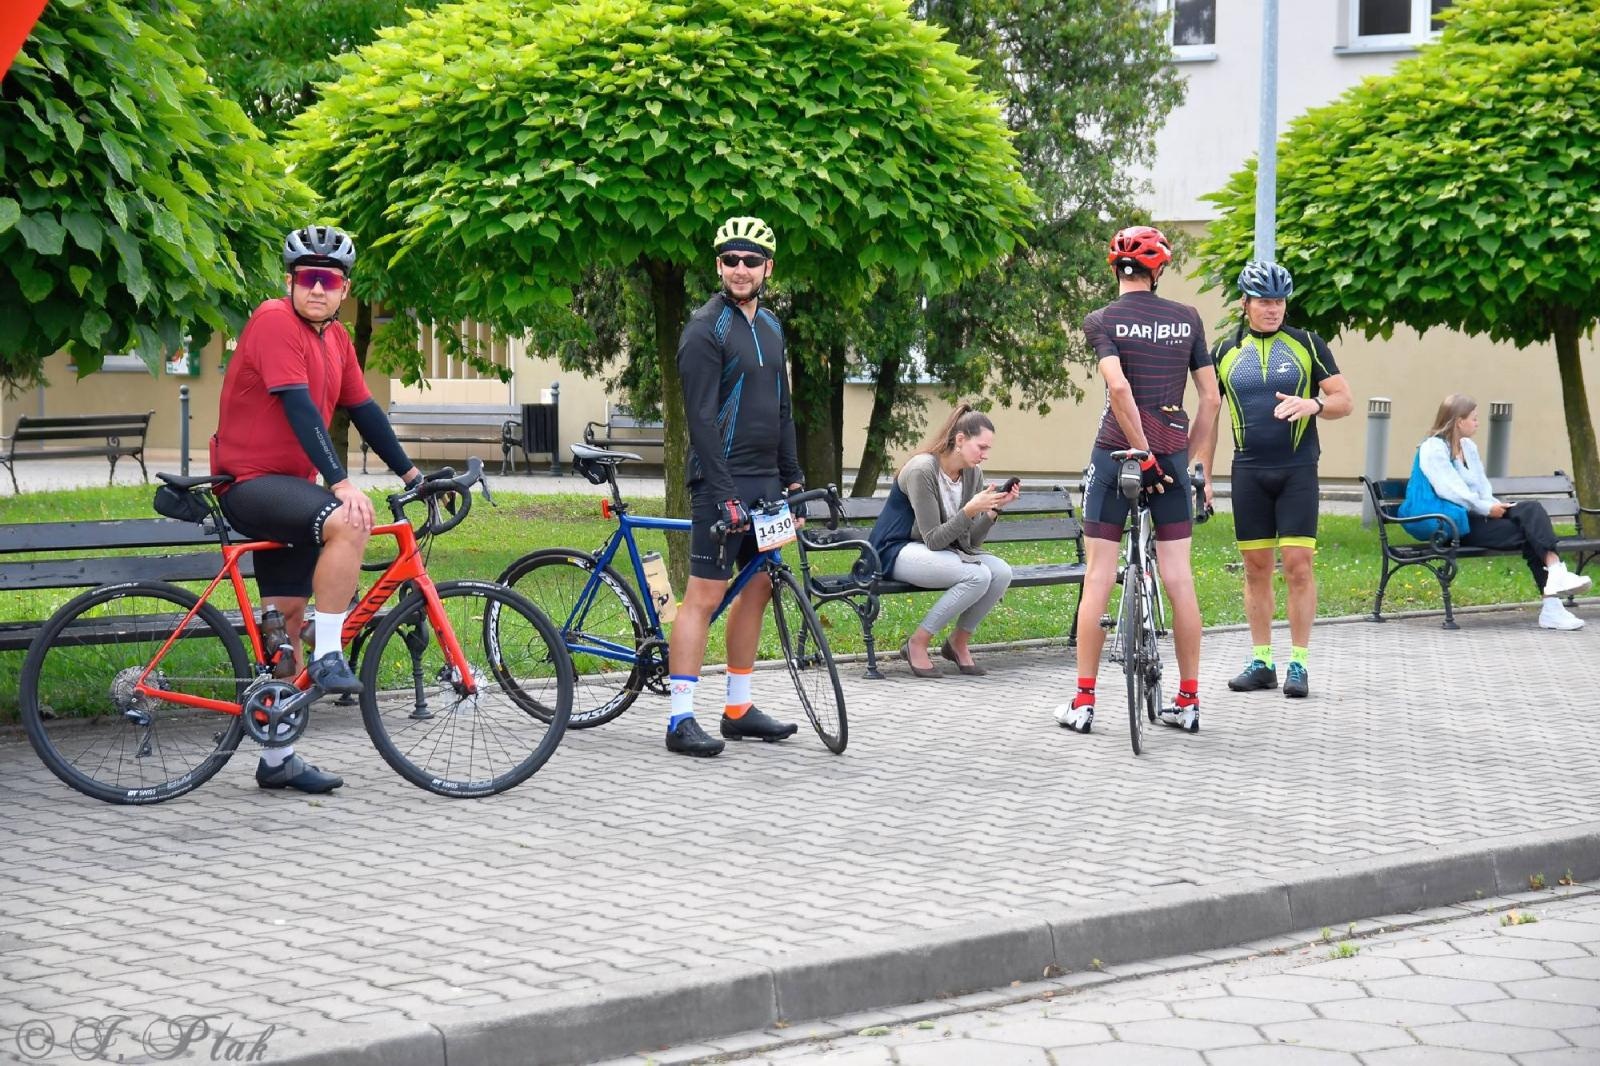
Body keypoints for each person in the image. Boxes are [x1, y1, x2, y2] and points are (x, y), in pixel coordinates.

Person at [210, 225, 421, 793]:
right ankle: (330, 655)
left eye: (329, 280)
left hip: (290, 490)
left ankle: (277, 760)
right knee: (349, 520)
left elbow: (364, 410)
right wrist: (340, 482)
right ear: (291, 282)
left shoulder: (337, 341)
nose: (318, 289)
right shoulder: (275, 321)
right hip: (252, 484)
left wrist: (412, 473)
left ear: (344, 287)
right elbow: (301, 409)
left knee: (284, 626)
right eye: (308, 279)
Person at [1056, 226, 1220, 735]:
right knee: (1179, 577)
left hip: (1115, 455)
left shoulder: (1101, 319)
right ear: (1160, 270)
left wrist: (1141, 454)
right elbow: (1211, 400)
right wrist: (1180, 460)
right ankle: (1188, 702)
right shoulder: (1187, 318)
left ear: (1115, 269)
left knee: (1099, 577)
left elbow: (1119, 388)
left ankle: (1083, 704)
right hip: (1170, 455)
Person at [665, 215, 805, 757]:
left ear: (768, 267)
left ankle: (738, 708)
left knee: (761, 586)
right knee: (705, 594)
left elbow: (784, 409)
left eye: (750, 260)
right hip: (719, 483)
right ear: (718, 266)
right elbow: (699, 420)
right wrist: (722, 492)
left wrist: (793, 479)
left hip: (767, 483)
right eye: (730, 260)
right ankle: (679, 720)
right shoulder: (705, 328)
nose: (740, 269)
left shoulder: (770, 327)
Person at [1204, 261, 1352, 700]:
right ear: (1245, 303)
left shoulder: (1307, 343)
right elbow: (1210, 416)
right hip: (1248, 471)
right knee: (1255, 569)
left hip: (1297, 469)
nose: (1274, 309)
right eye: (1265, 301)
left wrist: (1315, 406)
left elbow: (1344, 399)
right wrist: (1203, 474)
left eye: (1280, 301)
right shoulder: (1224, 351)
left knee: (1298, 565)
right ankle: (1262, 660)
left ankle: (1299, 664)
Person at [867, 404, 1021, 677]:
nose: (985, 455)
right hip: (894, 551)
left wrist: (993, 510)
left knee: (1000, 572)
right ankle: (917, 643)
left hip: (938, 550)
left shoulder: (972, 473)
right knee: (977, 576)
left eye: (988, 449)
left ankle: (957, 643)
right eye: (981, 448)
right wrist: (970, 510)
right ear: (960, 440)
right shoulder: (922, 470)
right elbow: (934, 540)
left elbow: (968, 540)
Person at [1415, 394, 1591, 630]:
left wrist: (1495, 506)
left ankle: (1555, 578)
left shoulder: (1468, 447)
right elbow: (1450, 490)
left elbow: (1481, 486)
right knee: (1532, 534)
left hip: (1481, 515)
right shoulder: (1432, 448)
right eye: (1474, 418)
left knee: (1532, 510)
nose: (1478, 423)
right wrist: (1487, 508)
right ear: (1459, 421)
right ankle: (1553, 603)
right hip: (1456, 524)